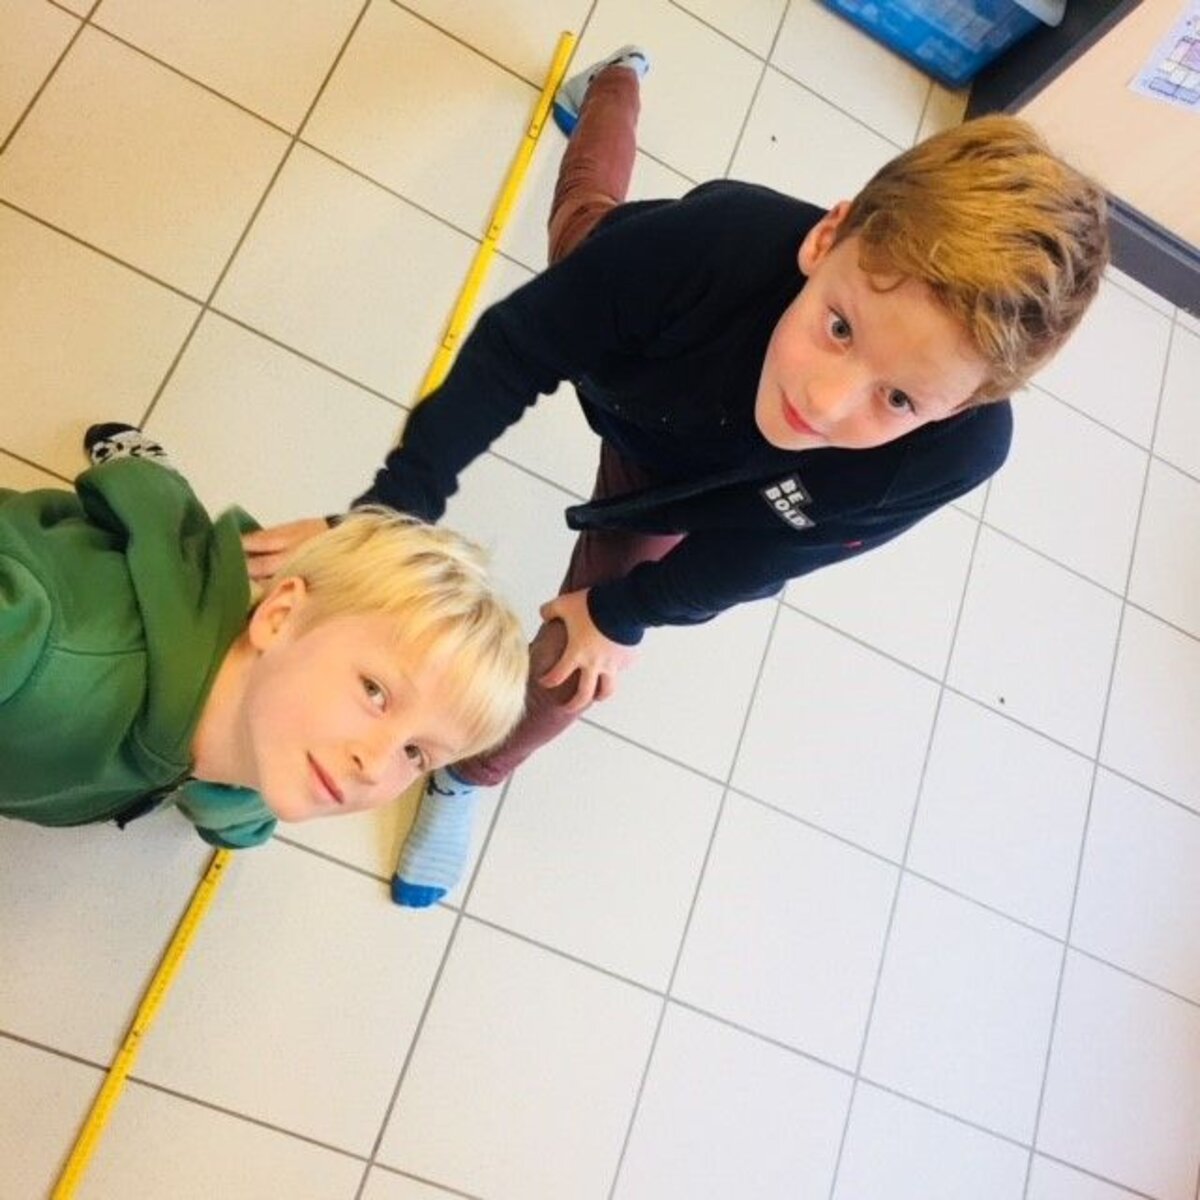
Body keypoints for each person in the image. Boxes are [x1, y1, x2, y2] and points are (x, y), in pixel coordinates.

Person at [243, 46, 1110, 906]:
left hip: (684, 486)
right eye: (841, 328)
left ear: (958, 408)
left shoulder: (954, 453)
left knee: (579, 669)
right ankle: (612, 85)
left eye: (898, 398)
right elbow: (516, 351)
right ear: (827, 237)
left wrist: (625, 612)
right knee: (584, 214)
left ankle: (469, 774)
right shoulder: (707, 245)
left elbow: (774, 554)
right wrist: (388, 515)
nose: (823, 401)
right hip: (635, 350)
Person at [0, 432, 527, 851]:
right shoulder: (42, 648)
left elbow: (237, 800)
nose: (374, 764)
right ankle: (145, 475)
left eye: (416, 753)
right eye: (374, 692)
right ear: (279, 616)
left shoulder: (272, 744)